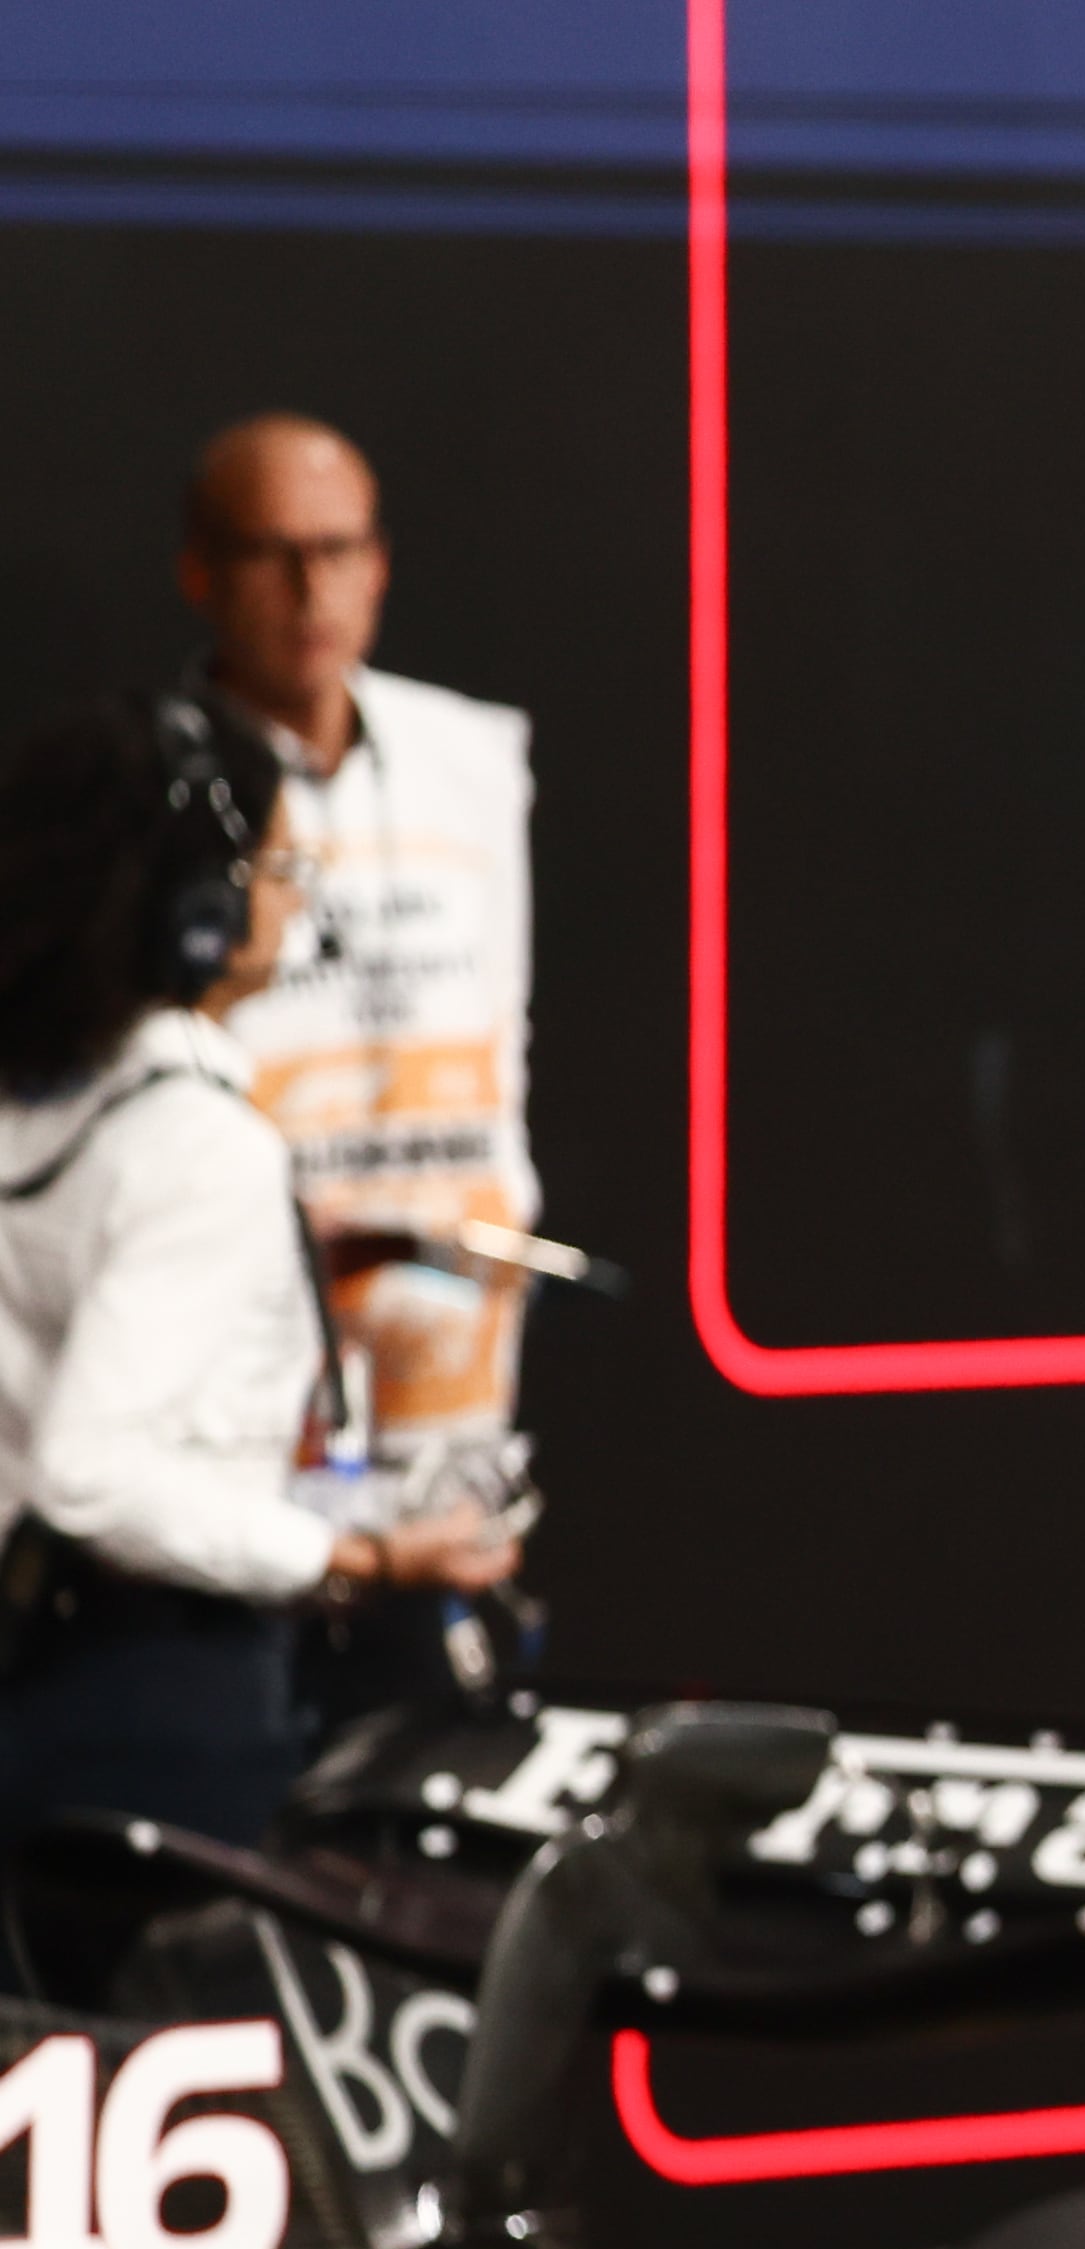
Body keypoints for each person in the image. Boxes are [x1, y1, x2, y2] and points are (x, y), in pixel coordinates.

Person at [0, 697, 519, 1851]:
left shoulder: (57, 1103)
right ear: (202, 910)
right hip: (155, 1706)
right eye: (275, 864)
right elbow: (89, 1477)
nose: (290, 896)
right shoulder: (196, 1145)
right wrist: (362, 1555)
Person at [177, 411, 543, 1712]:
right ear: (205, 571)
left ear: (380, 561)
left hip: (450, 1371)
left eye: (337, 550)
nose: (312, 591)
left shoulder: (477, 763)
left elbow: (505, 1020)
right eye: (274, 554)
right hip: (249, 1381)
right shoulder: (157, 783)